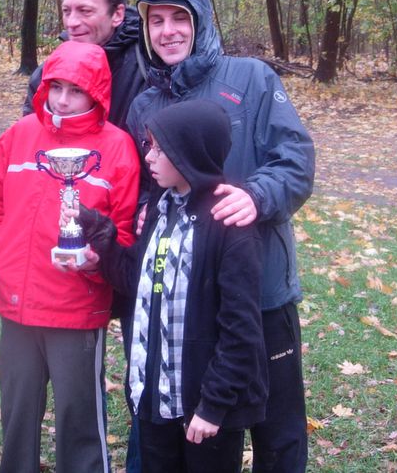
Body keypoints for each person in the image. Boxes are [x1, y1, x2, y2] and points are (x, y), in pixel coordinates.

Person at [126, 0, 316, 473]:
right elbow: (148, 184)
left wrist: (257, 194)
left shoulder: (251, 78)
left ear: (202, 22)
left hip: (262, 290)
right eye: (156, 20)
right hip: (189, 311)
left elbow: (295, 160)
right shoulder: (147, 102)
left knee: (278, 431)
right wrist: (143, 208)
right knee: (208, 432)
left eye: (179, 18)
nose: (167, 32)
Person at [76, 98, 268, 473]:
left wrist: (213, 406)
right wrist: (98, 231)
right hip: (154, 399)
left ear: (190, 153)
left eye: (160, 148)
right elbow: (138, 280)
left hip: (204, 411)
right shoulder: (163, 210)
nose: (148, 156)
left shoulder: (228, 225)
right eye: (149, 145)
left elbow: (241, 330)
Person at [0, 40, 139, 473]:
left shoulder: (117, 147)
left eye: (76, 91)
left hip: (75, 309)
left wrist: (96, 259)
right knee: (16, 418)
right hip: (17, 307)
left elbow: (123, 228)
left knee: (78, 422)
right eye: (57, 87)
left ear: (97, 94)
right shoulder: (19, 136)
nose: (64, 100)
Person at [23, 0, 147, 128]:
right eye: (67, 11)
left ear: (117, 15)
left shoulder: (146, 70)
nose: (72, 23)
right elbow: (32, 137)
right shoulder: (48, 73)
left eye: (85, 11)